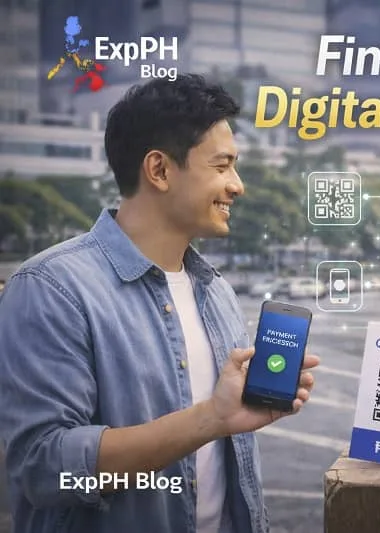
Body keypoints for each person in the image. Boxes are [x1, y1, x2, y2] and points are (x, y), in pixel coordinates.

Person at [0, 74, 319, 533]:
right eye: (222, 165)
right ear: (160, 170)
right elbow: (45, 469)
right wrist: (210, 418)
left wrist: (233, 415)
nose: (238, 186)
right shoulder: (52, 288)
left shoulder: (217, 292)